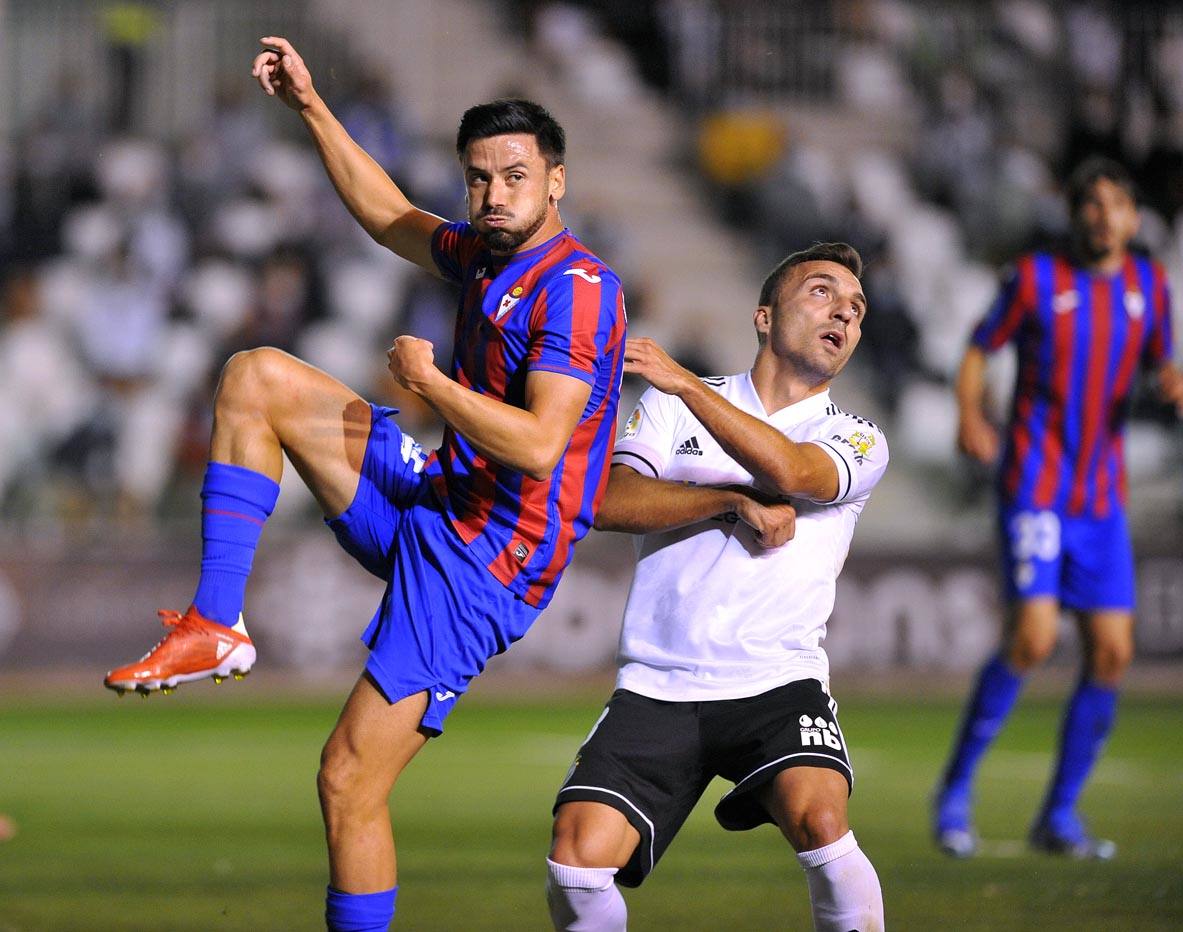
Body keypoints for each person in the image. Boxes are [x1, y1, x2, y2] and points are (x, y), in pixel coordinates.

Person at [104, 37, 627, 931]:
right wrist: (310, 105)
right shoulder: (485, 253)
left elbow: (542, 447)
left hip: (485, 561)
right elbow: (387, 214)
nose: (493, 193)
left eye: (513, 176)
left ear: (556, 182)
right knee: (257, 376)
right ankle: (217, 623)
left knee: (347, 779)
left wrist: (430, 386)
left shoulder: (576, 287)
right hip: (434, 502)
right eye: (478, 177)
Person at [546, 243, 887, 932]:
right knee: (576, 864)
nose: (843, 313)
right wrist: (724, 503)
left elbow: (791, 470)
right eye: (822, 293)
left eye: (854, 308)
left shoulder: (855, 437)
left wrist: (685, 384)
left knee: (821, 822)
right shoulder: (667, 411)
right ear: (764, 317)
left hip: (775, 678)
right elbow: (608, 502)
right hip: (658, 684)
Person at [933, 157, 1183, 861]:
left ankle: (1058, 815)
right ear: (1074, 215)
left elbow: (1162, 363)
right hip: (1034, 487)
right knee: (1034, 639)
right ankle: (953, 793)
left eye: (1114, 204)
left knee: (1111, 652)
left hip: (1100, 501)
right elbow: (978, 349)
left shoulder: (1148, 285)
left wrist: (1171, 381)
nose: (1101, 216)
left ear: (1134, 218)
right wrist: (966, 410)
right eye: (1089, 204)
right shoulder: (1035, 278)